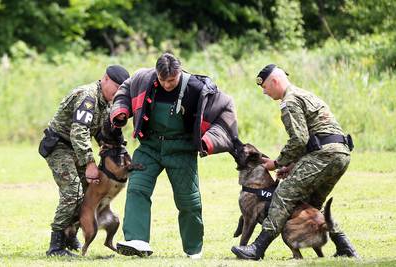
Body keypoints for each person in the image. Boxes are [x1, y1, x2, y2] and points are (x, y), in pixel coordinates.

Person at [110, 53, 240, 259]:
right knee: (137, 189)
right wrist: (121, 110)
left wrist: (207, 141)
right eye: (163, 80)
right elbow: (126, 88)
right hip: (149, 147)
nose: (167, 84)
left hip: (181, 149)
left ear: (179, 72)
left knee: (188, 202)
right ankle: (137, 240)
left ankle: (193, 249)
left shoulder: (197, 88)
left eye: (172, 80)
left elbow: (226, 110)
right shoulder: (145, 79)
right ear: (157, 75)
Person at [231, 64, 359, 260]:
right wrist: (291, 166)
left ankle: (257, 248)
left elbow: (299, 139)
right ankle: (345, 246)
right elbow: (313, 138)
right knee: (308, 206)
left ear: (274, 81)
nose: (264, 92)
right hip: (340, 154)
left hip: (323, 155)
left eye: (264, 87)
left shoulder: (289, 101)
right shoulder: (305, 94)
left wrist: (276, 163)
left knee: (283, 195)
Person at [39, 65, 130, 257]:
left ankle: (70, 237)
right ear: (105, 79)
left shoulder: (105, 102)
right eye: (116, 87)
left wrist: (109, 146)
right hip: (60, 146)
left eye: (121, 90)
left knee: (87, 193)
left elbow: (98, 130)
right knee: (73, 192)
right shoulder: (88, 97)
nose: (117, 93)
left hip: (76, 149)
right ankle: (55, 246)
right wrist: (89, 163)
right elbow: (79, 132)